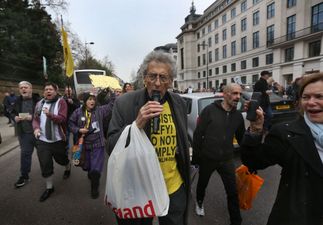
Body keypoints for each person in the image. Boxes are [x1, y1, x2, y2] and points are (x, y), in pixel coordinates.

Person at [108, 51, 191, 225]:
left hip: (173, 187)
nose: (158, 83)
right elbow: (111, 146)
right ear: (144, 78)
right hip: (138, 187)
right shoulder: (124, 103)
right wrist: (136, 125)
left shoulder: (179, 103)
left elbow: (183, 140)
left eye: (164, 77)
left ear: (170, 81)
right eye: (152, 76)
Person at [241, 73, 323, 225]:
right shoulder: (285, 133)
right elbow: (253, 161)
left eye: (319, 96)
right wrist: (256, 129)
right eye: (306, 97)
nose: (311, 102)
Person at [192, 83, 245, 225]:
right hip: (208, 157)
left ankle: (236, 220)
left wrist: (255, 134)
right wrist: (196, 158)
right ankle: (199, 202)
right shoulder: (209, 110)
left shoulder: (238, 116)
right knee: (202, 184)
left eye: (239, 94)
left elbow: (242, 139)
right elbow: (198, 135)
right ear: (225, 94)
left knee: (232, 191)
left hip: (227, 159)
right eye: (234, 93)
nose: (238, 97)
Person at [69, 92, 114, 199]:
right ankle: (91, 173)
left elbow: (112, 104)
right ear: (85, 101)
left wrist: (111, 92)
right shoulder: (78, 112)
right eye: (89, 99)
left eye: (94, 99)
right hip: (83, 145)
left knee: (96, 169)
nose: (92, 101)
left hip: (98, 144)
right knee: (87, 166)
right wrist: (79, 130)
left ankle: (95, 187)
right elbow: (70, 124)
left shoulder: (100, 110)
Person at [32, 82, 70, 202]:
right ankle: (49, 187)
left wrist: (50, 115)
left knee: (61, 159)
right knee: (45, 163)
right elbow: (35, 119)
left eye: (51, 89)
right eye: (46, 89)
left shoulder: (61, 102)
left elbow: (62, 119)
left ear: (56, 91)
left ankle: (67, 167)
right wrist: (36, 128)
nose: (48, 91)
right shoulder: (39, 103)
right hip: (42, 140)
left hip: (58, 140)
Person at [11, 81, 40, 188]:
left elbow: (43, 114)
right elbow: (12, 112)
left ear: (31, 89)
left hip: (38, 133)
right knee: (25, 155)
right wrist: (14, 118)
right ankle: (24, 176)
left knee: (43, 154)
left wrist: (33, 117)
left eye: (25, 87)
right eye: (21, 88)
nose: (23, 89)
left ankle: (48, 173)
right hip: (24, 134)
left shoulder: (38, 100)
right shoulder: (17, 101)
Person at [63, 85, 80, 179]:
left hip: (74, 123)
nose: (68, 92)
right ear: (65, 91)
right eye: (67, 90)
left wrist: (72, 103)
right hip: (65, 123)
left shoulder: (75, 99)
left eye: (69, 90)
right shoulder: (62, 99)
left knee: (76, 140)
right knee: (65, 142)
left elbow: (78, 108)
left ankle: (76, 157)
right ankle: (67, 161)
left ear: (72, 91)